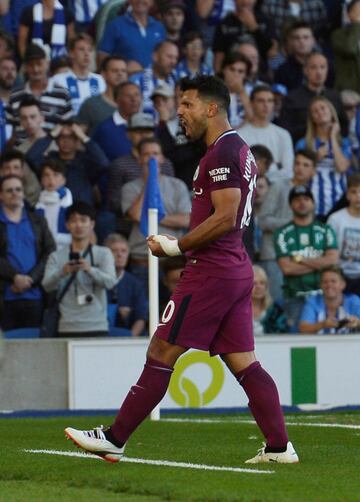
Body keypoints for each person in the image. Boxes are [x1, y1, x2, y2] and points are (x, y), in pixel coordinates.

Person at [65, 75, 299, 465]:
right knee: (243, 361)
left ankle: (114, 438)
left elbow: (225, 216)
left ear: (211, 108)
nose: (180, 113)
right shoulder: (235, 150)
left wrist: (176, 245)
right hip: (233, 266)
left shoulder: (224, 152)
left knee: (161, 350)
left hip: (213, 269)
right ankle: (279, 447)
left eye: (187, 104)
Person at [121, 137, 190, 287]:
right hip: (142, 262)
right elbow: (136, 215)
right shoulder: (130, 188)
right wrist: (149, 183)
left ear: (162, 158)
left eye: (155, 153)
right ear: (139, 159)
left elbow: (186, 220)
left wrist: (155, 216)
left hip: (172, 263)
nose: (151, 158)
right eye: (146, 154)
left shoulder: (177, 185)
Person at [42, 201, 116, 337]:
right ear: (67, 225)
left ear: (92, 224)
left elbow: (111, 282)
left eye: (83, 220)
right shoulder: (56, 256)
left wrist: (90, 270)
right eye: (74, 221)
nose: (79, 225)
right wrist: (62, 272)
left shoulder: (103, 253)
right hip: (66, 325)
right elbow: (46, 285)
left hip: (97, 325)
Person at [274, 185, 339, 331]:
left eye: (306, 199)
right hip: (295, 296)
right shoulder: (282, 233)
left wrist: (300, 260)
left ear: (313, 203)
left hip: (324, 296)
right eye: (297, 199)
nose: (302, 202)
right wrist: (321, 262)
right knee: (299, 344)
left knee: (328, 339)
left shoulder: (325, 230)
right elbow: (287, 268)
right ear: (291, 205)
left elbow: (333, 261)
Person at [258, 149, 317, 301]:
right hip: (273, 255)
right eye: (297, 163)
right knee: (276, 305)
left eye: (305, 165)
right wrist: (292, 225)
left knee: (296, 307)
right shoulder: (279, 186)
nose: (300, 168)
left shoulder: (312, 194)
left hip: (298, 259)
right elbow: (263, 221)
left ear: (313, 171)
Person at [0, 174, 55, 330]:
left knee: (35, 348)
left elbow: (50, 251)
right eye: (9, 190)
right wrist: (15, 277)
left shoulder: (38, 221)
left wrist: (30, 278)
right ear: (1, 195)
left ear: (24, 193)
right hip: (6, 296)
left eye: (18, 189)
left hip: (35, 294)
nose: (15, 193)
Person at [296, 96, 352, 220]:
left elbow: (342, 167)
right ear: (312, 118)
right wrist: (316, 157)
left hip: (339, 202)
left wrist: (332, 137)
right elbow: (299, 174)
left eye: (323, 108)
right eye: (315, 111)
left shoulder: (344, 143)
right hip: (312, 202)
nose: (320, 112)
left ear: (332, 112)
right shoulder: (304, 143)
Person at [7, 44, 73, 142]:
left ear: (47, 64)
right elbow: (10, 132)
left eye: (39, 64)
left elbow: (68, 128)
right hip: (21, 152)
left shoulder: (62, 94)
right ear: (25, 67)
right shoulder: (15, 96)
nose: (35, 69)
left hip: (51, 153)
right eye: (31, 65)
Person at [278, 51, 348, 143]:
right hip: (303, 149)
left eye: (322, 67)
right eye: (313, 67)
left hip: (334, 146)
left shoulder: (335, 96)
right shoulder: (292, 98)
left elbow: (344, 126)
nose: (319, 72)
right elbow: (285, 131)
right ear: (305, 70)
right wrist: (314, 127)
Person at [238, 85, 294, 182]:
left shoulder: (283, 134)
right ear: (252, 103)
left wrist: (266, 180)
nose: (266, 105)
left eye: (270, 101)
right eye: (261, 101)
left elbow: (288, 170)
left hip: (276, 186)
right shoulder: (239, 135)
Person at [97, 0, 166, 69]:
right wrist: (124, 68)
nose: (140, 1)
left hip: (153, 78)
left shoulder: (159, 27)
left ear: (152, 2)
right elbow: (102, 56)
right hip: (125, 79)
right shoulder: (115, 25)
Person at [212, 0, 275, 73]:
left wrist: (254, 28)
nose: (245, 1)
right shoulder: (224, 24)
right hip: (233, 74)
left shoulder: (266, 22)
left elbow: (271, 53)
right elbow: (218, 60)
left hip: (259, 76)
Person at [51, 33, 106, 114]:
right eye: (81, 49)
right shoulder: (58, 80)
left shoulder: (100, 80)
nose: (86, 54)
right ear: (71, 53)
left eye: (90, 50)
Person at [105, 233, 147, 337]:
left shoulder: (136, 284)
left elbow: (141, 318)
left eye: (123, 251)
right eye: (114, 251)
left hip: (127, 339)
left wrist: (130, 339)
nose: (119, 255)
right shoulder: (96, 280)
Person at [299, 266, 360, 334]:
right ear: (320, 285)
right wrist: (323, 324)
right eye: (325, 282)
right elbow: (303, 328)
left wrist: (357, 323)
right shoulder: (313, 301)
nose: (329, 285)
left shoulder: (354, 300)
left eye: (333, 281)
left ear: (343, 284)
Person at [77, 56, 128, 136]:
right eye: (115, 71)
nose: (120, 74)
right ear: (104, 74)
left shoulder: (135, 104)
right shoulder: (91, 104)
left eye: (123, 71)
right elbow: (79, 136)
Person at [92, 81, 142, 161]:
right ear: (117, 100)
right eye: (128, 96)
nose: (134, 99)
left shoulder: (150, 125)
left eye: (137, 95)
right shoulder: (104, 130)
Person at [327, 173, 360, 294]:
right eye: (354, 192)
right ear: (347, 195)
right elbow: (327, 251)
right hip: (339, 276)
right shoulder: (335, 219)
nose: (358, 196)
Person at [130, 40, 178, 118]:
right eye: (169, 57)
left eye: (176, 58)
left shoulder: (177, 82)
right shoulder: (137, 81)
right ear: (155, 56)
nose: (173, 61)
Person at [35, 158, 72, 249]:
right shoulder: (37, 206)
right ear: (41, 181)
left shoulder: (71, 205)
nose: (51, 179)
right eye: (46, 175)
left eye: (56, 175)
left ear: (63, 180)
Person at [332, 0, 360, 94]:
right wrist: (356, 24)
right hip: (349, 91)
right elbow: (350, 49)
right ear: (349, 14)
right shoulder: (338, 35)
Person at [219, 51, 252, 129]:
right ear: (223, 70)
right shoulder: (213, 91)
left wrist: (242, 92)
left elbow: (253, 119)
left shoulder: (250, 92)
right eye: (232, 69)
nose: (236, 74)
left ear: (245, 75)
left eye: (240, 71)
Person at [252, 265, 288, 336]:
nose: (258, 287)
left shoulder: (275, 310)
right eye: (254, 283)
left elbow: (282, 332)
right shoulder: (237, 311)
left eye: (262, 283)